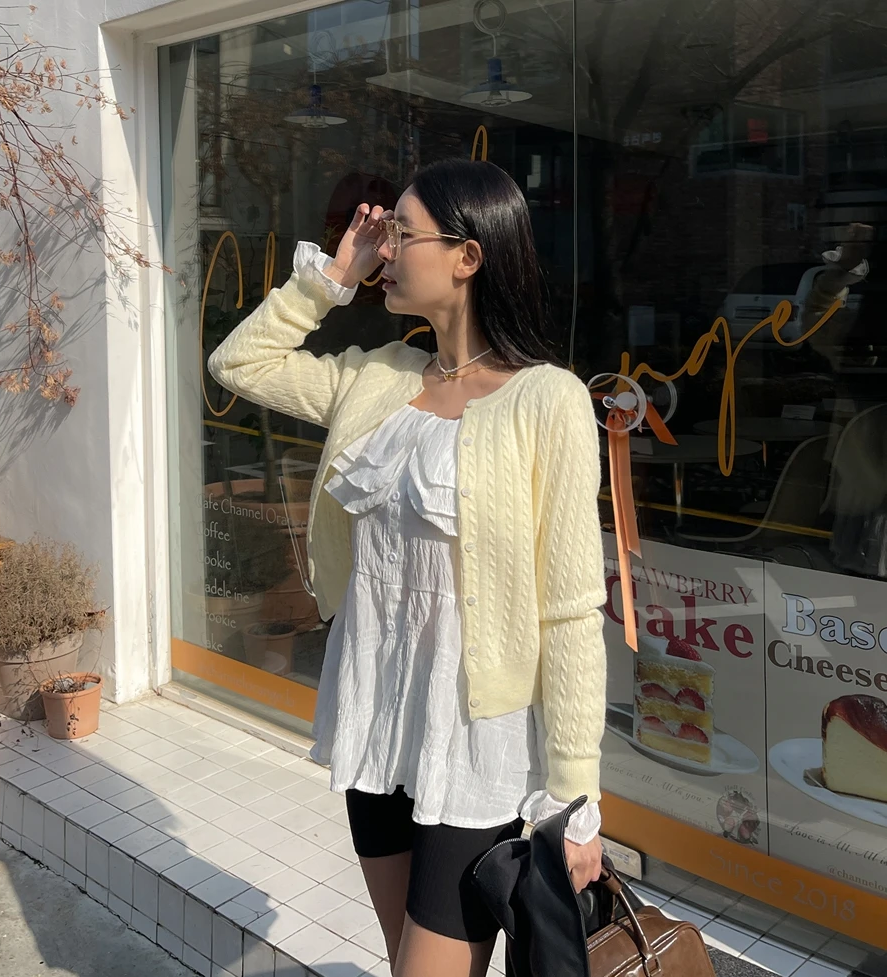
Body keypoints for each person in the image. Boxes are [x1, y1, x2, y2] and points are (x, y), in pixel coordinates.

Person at [209, 158, 607, 977]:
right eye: (382, 235)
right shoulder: (379, 376)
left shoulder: (547, 400)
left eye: (401, 234)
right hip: (377, 717)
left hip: (474, 741)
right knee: (405, 964)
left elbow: (569, 613)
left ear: (468, 256)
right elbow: (237, 364)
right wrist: (332, 276)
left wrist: (574, 796)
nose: (383, 250)